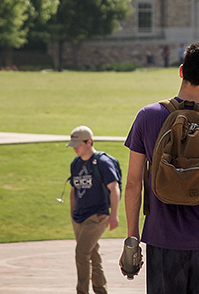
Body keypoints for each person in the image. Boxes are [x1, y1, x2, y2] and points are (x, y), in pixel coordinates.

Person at [123, 42, 199, 294]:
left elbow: (134, 183)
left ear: (181, 71)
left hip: (160, 238)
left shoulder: (147, 116)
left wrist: (132, 240)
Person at [69, 125, 122, 294]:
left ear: (89, 142)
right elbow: (73, 190)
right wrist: (73, 213)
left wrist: (113, 215)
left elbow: (114, 188)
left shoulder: (103, 163)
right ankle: (101, 290)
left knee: (81, 253)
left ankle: (82, 291)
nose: (75, 147)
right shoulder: (76, 164)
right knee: (92, 255)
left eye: (78, 144)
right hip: (79, 217)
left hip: (97, 216)